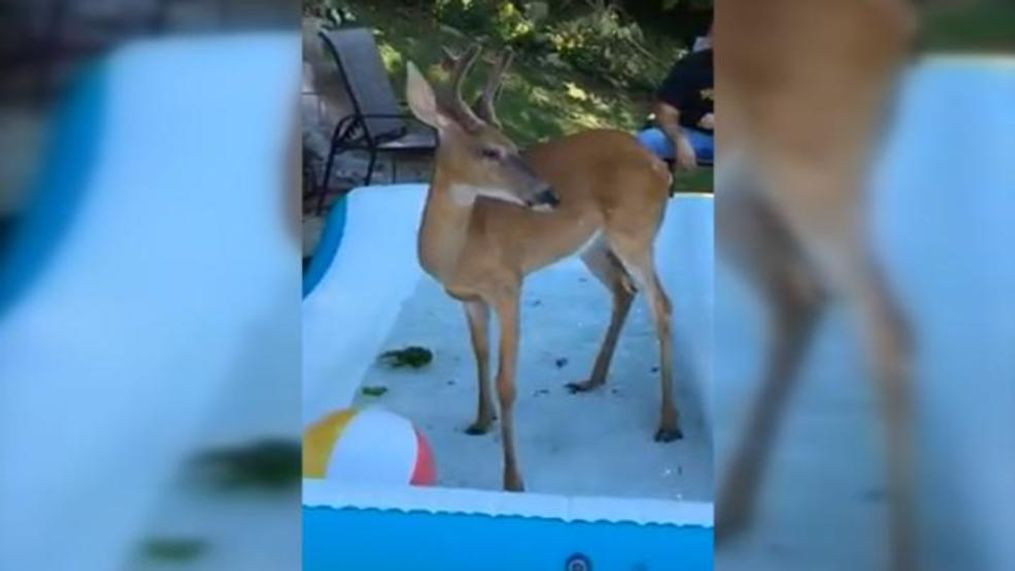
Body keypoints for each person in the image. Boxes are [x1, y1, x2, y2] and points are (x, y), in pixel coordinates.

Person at [637, 28, 714, 171]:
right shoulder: (691, 65)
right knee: (647, 141)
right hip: (691, 135)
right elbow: (666, 110)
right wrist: (680, 140)